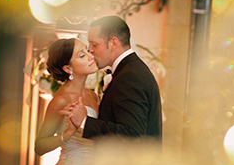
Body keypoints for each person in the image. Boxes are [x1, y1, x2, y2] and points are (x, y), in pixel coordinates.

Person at [58, 15, 162, 143]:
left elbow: (131, 135)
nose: (90, 50)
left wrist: (84, 121)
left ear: (113, 43)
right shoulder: (132, 69)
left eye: (94, 44)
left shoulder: (129, 77)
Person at [37, 38, 100, 165]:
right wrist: (68, 133)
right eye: (82, 55)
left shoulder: (93, 95)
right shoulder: (61, 100)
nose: (91, 56)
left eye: (87, 51)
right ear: (68, 69)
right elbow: (39, 146)